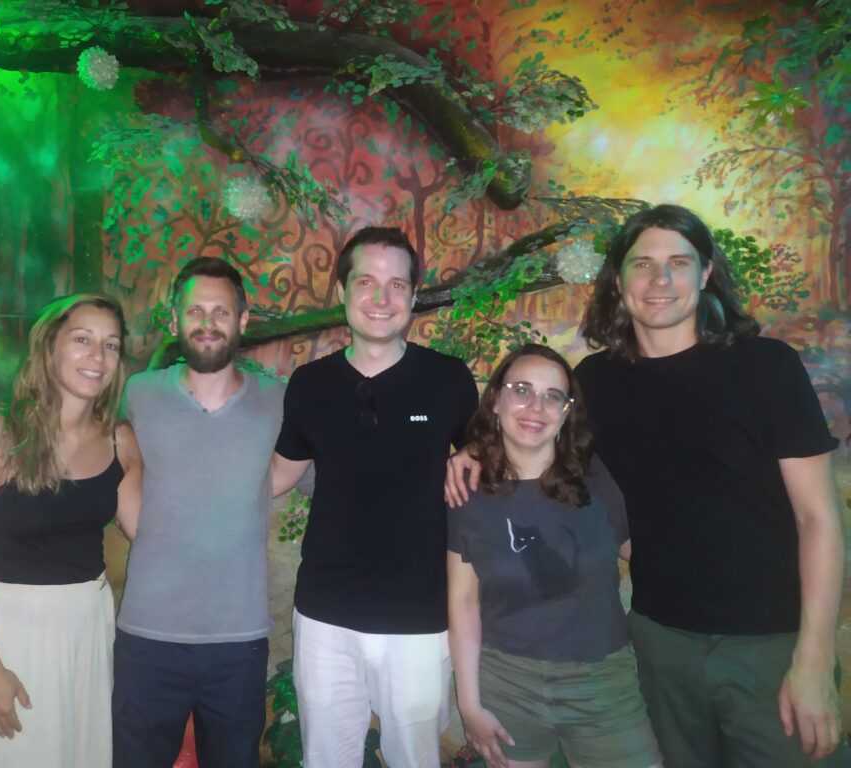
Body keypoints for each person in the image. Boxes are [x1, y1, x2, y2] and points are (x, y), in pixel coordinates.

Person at [448, 204, 847, 767]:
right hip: (659, 643)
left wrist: (814, 657)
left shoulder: (766, 367)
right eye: (642, 264)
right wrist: (473, 449)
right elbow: (536, 431)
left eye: (678, 263)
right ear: (618, 279)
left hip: (770, 643)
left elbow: (819, 518)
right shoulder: (596, 381)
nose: (660, 280)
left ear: (706, 273)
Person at [272, 226, 479, 768]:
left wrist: (474, 453)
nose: (381, 298)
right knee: (326, 758)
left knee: (414, 758)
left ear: (413, 295)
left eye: (397, 284)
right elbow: (276, 474)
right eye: (366, 282)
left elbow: (487, 454)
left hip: (418, 614)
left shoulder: (448, 379)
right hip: (325, 614)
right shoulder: (310, 384)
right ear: (343, 291)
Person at [0, 293, 142, 768]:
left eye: (111, 345)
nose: (98, 356)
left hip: (88, 626)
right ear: (49, 348)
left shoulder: (120, 440)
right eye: (82, 340)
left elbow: (148, 535)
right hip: (9, 631)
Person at [447, 343, 661, 768]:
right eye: (522, 390)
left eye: (552, 396)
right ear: (496, 400)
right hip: (507, 681)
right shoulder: (467, 491)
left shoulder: (595, 477)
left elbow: (641, 552)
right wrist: (469, 706)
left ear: (565, 413)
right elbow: (463, 601)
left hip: (601, 679)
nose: (536, 407)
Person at [112, 257, 287, 768]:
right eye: (194, 311)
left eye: (221, 311)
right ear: (174, 320)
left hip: (239, 641)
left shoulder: (279, 401)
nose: (207, 322)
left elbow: (319, 470)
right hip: (148, 636)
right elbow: (99, 457)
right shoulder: (138, 394)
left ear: (243, 319)